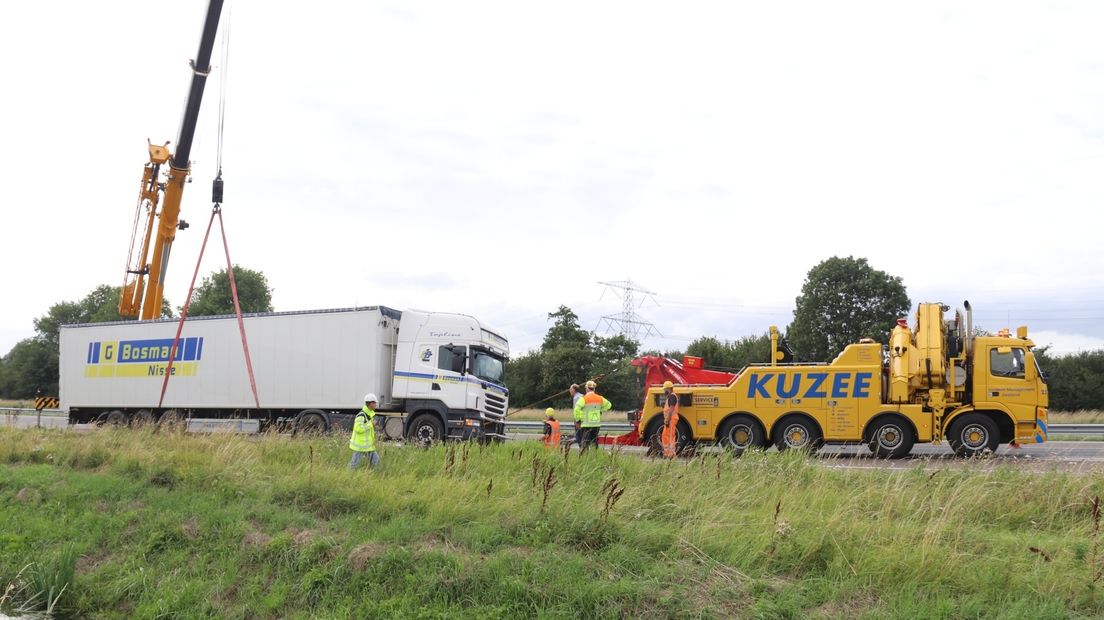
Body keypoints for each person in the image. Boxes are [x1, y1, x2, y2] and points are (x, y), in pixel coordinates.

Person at [573, 380, 611, 451]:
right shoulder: (600, 398)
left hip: (586, 424)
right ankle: (595, 457)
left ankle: (585, 458)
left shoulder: (584, 399)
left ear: (587, 388)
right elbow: (609, 405)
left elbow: (576, 410)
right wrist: (600, 410)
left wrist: (578, 420)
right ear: (594, 388)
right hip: (596, 424)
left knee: (585, 443)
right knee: (594, 442)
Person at [349, 393, 380, 469]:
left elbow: (368, 428)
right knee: (353, 466)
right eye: (375, 403)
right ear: (370, 404)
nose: (376, 404)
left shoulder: (370, 414)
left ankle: (378, 476)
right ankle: (347, 477)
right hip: (360, 446)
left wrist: (374, 426)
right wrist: (371, 425)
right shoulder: (361, 415)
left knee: (377, 463)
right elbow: (358, 429)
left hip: (368, 446)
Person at [660, 380, 680, 458]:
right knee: (665, 435)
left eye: (665, 389)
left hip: (671, 419)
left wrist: (668, 420)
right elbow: (669, 408)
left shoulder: (672, 396)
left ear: (669, 389)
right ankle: (667, 453)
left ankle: (671, 454)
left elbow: (671, 408)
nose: (664, 391)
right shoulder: (670, 397)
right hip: (669, 419)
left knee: (671, 436)